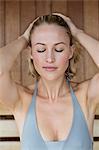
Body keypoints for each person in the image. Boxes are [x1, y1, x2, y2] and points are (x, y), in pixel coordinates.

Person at [0, 13, 99, 150]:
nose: (50, 58)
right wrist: (23, 39)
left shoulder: (86, 96)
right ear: (31, 53)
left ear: (71, 52)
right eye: (41, 49)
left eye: (59, 49)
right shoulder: (22, 100)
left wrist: (77, 33)